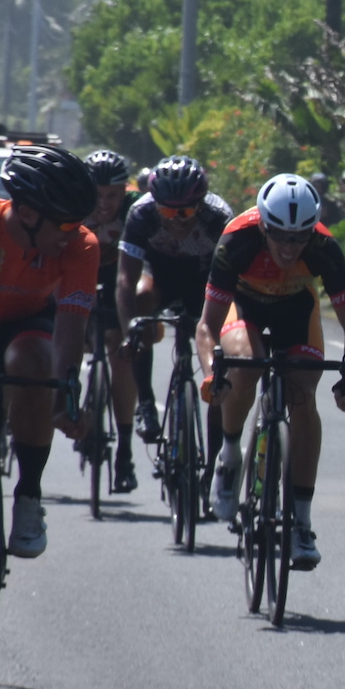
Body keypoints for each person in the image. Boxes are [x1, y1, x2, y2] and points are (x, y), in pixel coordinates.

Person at [196, 174, 345, 570]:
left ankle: (301, 523)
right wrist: (211, 374)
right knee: (245, 364)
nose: (290, 248)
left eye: (299, 238)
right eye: (280, 237)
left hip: (296, 311)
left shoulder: (324, 247)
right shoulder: (237, 239)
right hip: (246, 307)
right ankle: (229, 456)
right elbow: (207, 326)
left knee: (303, 393)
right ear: (263, 227)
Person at [0, 144, 96, 559]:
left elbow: (71, 323)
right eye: (63, 226)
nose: (73, 234)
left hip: (27, 324)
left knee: (35, 364)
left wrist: (66, 398)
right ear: (27, 214)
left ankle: (28, 495)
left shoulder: (80, 244)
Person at [117, 153, 234, 488]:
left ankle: (212, 468)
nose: (178, 219)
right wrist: (129, 332)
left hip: (205, 282)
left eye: (185, 210)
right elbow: (125, 279)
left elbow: (233, 279)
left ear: (200, 202)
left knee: (221, 368)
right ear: (156, 203)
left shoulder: (219, 216)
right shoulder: (141, 214)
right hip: (162, 278)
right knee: (141, 302)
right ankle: (145, 404)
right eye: (168, 210)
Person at [82, 149, 142, 491]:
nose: (104, 204)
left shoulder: (137, 208)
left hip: (120, 283)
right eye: (97, 196)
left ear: (125, 192)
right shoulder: (73, 205)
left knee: (120, 355)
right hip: (80, 279)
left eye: (112, 196)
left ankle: (124, 450)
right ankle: (72, 404)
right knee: (69, 338)